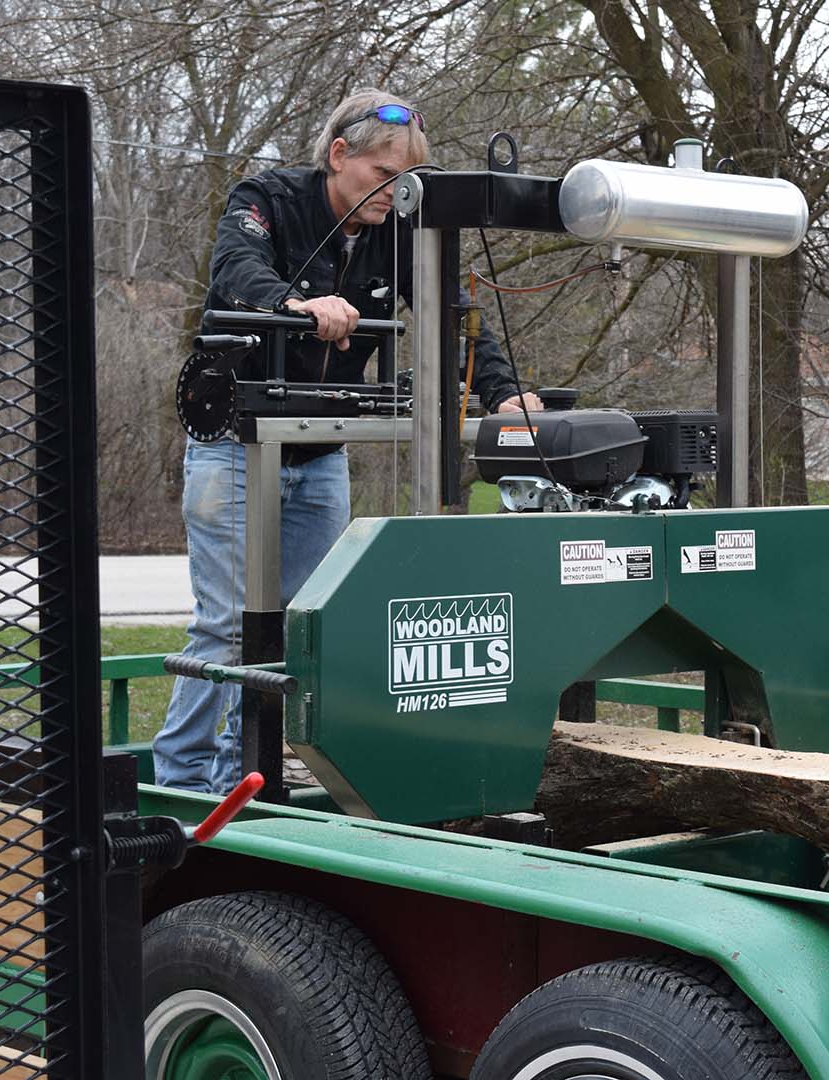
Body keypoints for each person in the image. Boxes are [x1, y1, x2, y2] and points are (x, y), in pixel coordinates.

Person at [154, 89, 539, 792]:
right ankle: (180, 782)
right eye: (382, 175)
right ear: (339, 156)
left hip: (317, 452)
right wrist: (297, 305)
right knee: (230, 627)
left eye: (405, 182)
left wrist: (504, 394)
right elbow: (239, 275)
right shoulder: (267, 199)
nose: (393, 194)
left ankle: (249, 770)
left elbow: (453, 315)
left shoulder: (397, 231)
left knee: (297, 628)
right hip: (236, 444)